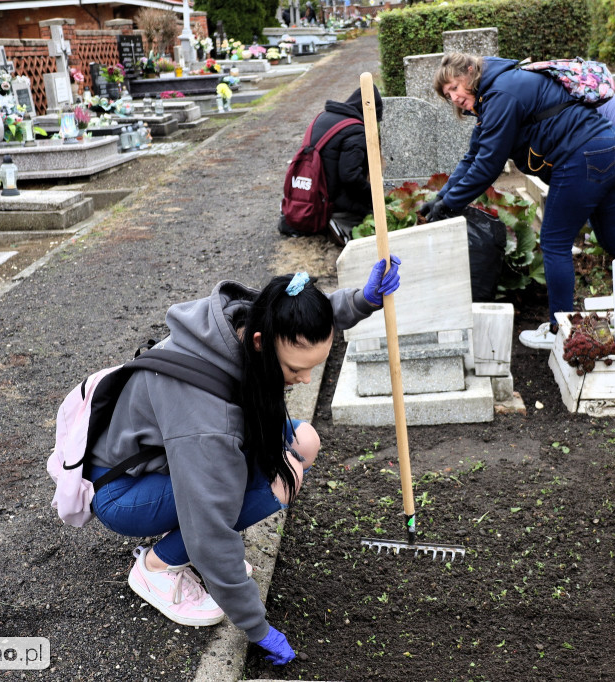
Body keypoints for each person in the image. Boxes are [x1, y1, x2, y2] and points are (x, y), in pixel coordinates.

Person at [88, 259, 401, 666]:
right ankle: (156, 567)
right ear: (258, 343)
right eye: (294, 369)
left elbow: (300, 319)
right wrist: (258, 628)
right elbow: (210, 527)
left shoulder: (236, 322)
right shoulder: (207, 420)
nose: (305, 380)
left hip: (164, 456)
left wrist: (362, 300)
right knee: (278, 482)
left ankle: (182, 552)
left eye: (312, 368)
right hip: (122, 492)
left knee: (303, 441)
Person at [422, 53, 615, 346]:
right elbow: (473, 155)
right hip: (614, 148)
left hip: (582, 157)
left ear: (471, 72)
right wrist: (441, 197)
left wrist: (450, 205)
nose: (454, 97)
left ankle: (559, 331)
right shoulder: (500, 89)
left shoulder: (500, 94)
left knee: (554, 242)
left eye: (455, 87)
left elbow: (487, 165)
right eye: (448, 95)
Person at [278, 86, 383, 245]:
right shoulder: (357, 131)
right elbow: (350, 177)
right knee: (369, 211)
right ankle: (335, 223)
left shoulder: (324, 117)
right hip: (329, 197)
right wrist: (375, 196)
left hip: (311, 188)